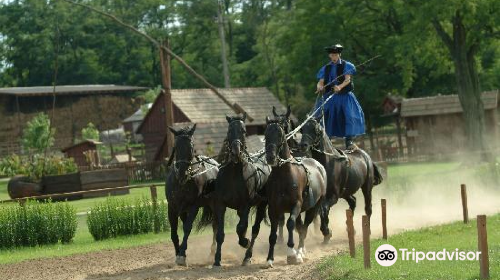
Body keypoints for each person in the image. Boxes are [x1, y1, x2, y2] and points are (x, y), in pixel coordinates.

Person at [315, 44, 365, 150]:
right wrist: (319, 87)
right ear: (330, 56)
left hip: (344, 96)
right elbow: (320, 82)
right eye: (332, 55)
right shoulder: (326, 68)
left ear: (339, 54)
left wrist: (340, 87)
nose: (334, 57)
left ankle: (349, 140)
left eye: (336, 55)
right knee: (325, 117)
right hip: (330, 97)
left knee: (349, 116)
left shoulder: (347, 65)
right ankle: (325, 141)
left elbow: (347, 80)